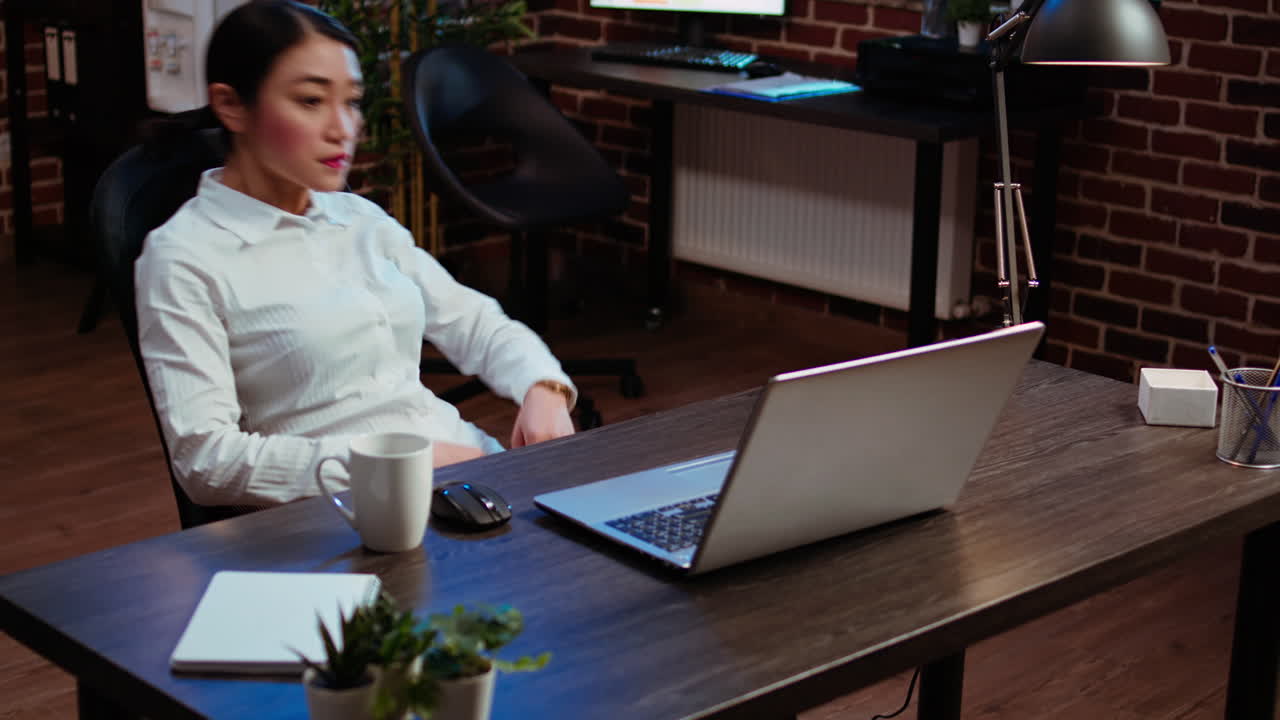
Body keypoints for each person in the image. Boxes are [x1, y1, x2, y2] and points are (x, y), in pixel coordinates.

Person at [135, 0, 576, 508]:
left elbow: (475, 322)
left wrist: (543, 388)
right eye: (310, 101)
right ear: (232, 105)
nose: (343, 127)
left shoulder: (359, 220)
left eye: (352, 102)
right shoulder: (184, 257)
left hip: (469, 475)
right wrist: (394, 462)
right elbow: (206, 460)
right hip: (348, 515)